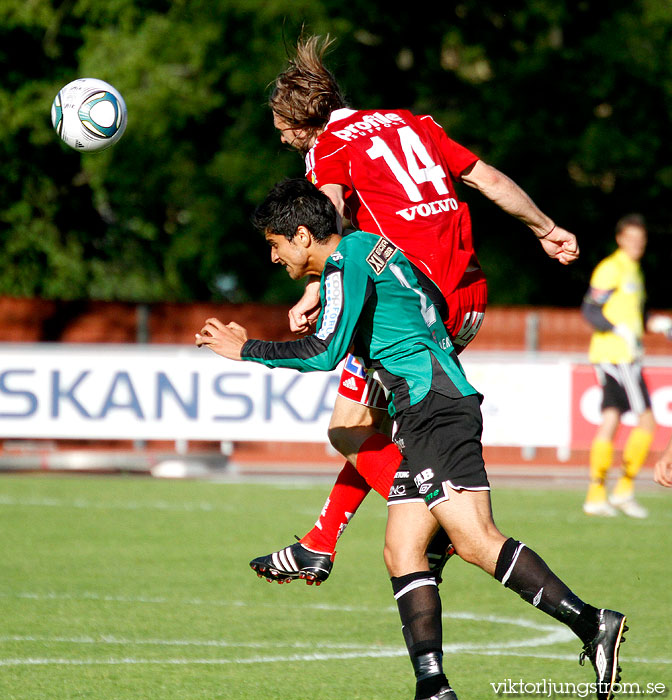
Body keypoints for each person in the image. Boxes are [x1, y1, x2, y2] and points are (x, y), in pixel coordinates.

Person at [196, 178, 625, 700]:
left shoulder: (346, 263)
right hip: (425, 407)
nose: (273, 256)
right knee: (402, 550)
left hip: (436, 411)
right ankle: (433, 686)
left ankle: (592, 623)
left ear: (304, 236)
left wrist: (248, 350)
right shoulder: (371, 247)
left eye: (275, 244)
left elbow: (324, 352)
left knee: (476, 541)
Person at [249, 34, 579, 585]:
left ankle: (444, 524)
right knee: (373, 424)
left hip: (408, 300)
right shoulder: (410, 122)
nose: (281, 138)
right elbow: (486, 178)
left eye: (281, 129)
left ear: (298, 123)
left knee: (349, 429)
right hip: (468, 295)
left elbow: (326, 221)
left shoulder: (328, 148)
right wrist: (547, 229)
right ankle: (319, 541)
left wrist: (316, 289)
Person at [581, 214, 672, 518]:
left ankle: (596, 495)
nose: (636, 244)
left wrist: (654, 323)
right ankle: (623, 490)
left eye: (641, 239)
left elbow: (634, 315)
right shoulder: (611, 268)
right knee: (646, 421)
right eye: (631, 238)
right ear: (620, 238)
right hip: (617, 356)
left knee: (611, 418)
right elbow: (591, 309)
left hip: (623, 354)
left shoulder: (634, 270)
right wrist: (615, 328)